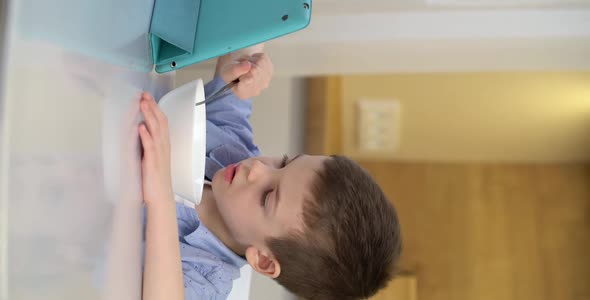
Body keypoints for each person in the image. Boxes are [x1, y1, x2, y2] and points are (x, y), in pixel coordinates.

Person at [140, 49, 402, 300]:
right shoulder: (236, 148)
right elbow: (241, 51)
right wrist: (250, 68)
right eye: (284, 162)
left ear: (263, 260)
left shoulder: (208, 275)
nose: (257, 168)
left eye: (267, 196)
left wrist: (160, 197)